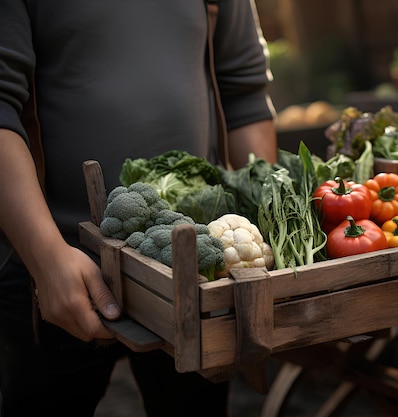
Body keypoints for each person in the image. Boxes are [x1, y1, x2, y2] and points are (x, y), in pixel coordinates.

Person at [0, 0, 278, 416]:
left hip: (197, 269)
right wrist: (46, 259)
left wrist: (263, 230)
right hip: (57, 270)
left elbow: (244, 94)